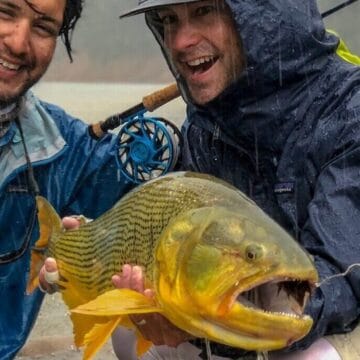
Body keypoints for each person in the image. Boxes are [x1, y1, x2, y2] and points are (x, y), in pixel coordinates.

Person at [112, 0, 360, 359]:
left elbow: (340, 278)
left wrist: (197, 316)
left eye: (203, 12)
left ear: (263, 16)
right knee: (129, 334)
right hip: (252, 309)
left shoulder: (350, 111)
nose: (180, 41)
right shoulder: (204, 123)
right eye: (168, 20)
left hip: (339, 315)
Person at [0, 0, 134, 358]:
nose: (18, 42)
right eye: (5, 11)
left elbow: (157, 195)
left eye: (43, 27)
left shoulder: (66, 150)